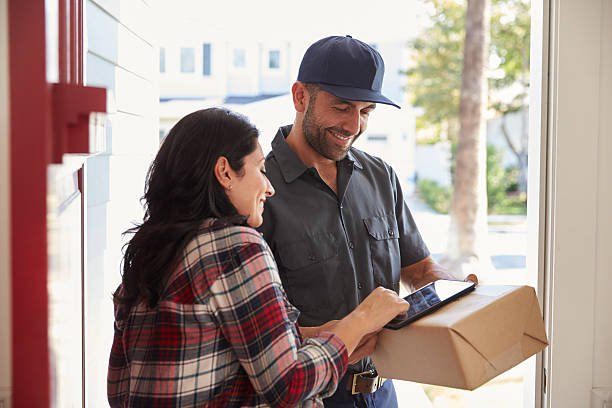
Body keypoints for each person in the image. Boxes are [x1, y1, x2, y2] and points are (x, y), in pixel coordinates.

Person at [107, 107, 410, 407]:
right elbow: (288, 386)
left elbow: (120, 389)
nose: (269, 188)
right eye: (261, 169)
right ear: (225, 172)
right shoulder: (236, 246)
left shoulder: (149, 252)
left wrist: (314, 337)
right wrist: (360, 320)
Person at [258, 35, 477, 407]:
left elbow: (419, 269)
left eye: (365, 112)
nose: (353, 125)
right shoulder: (259, 188)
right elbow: (253, 329)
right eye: (341, 107)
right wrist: (337, 335)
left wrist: (457, 293)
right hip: (307, 395)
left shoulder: (380, 176)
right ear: (300, 97)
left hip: (381, 392)